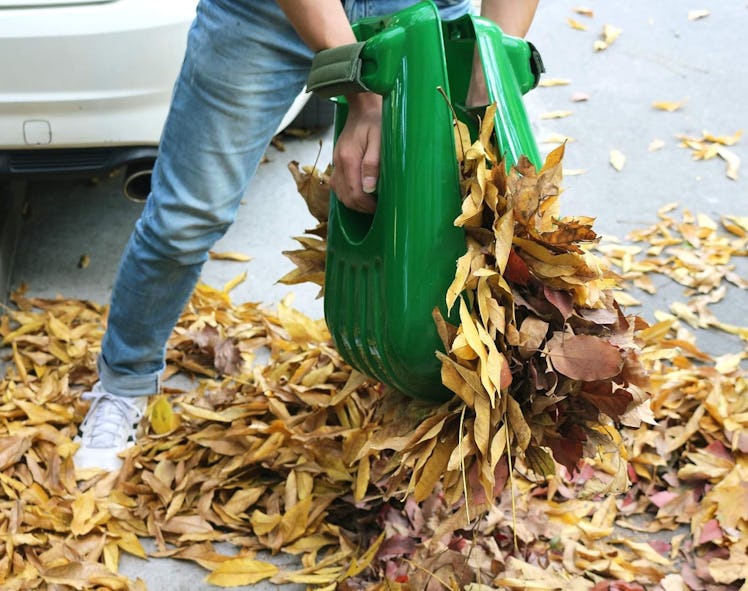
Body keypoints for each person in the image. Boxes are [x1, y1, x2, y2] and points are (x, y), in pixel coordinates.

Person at [73, 0, 539, 472]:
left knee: (455, 218)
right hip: (261, 18)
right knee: (185, 219)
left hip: (419, 11)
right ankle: (124, 384)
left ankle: (427, 427)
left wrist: (491, 62)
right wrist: (364, 91)